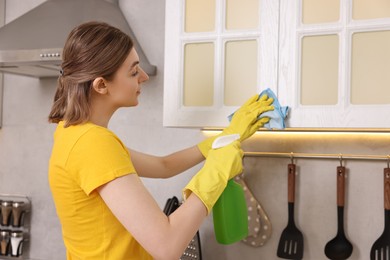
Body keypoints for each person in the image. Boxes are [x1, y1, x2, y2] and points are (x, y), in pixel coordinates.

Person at [48, 21, 274, 260]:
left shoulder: (74, 133)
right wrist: (217, 171)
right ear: (101, 85)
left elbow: (163, 166)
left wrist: (223, 138)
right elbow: (167, 246)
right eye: (134, 71)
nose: (144, 77)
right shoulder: (92, 143)